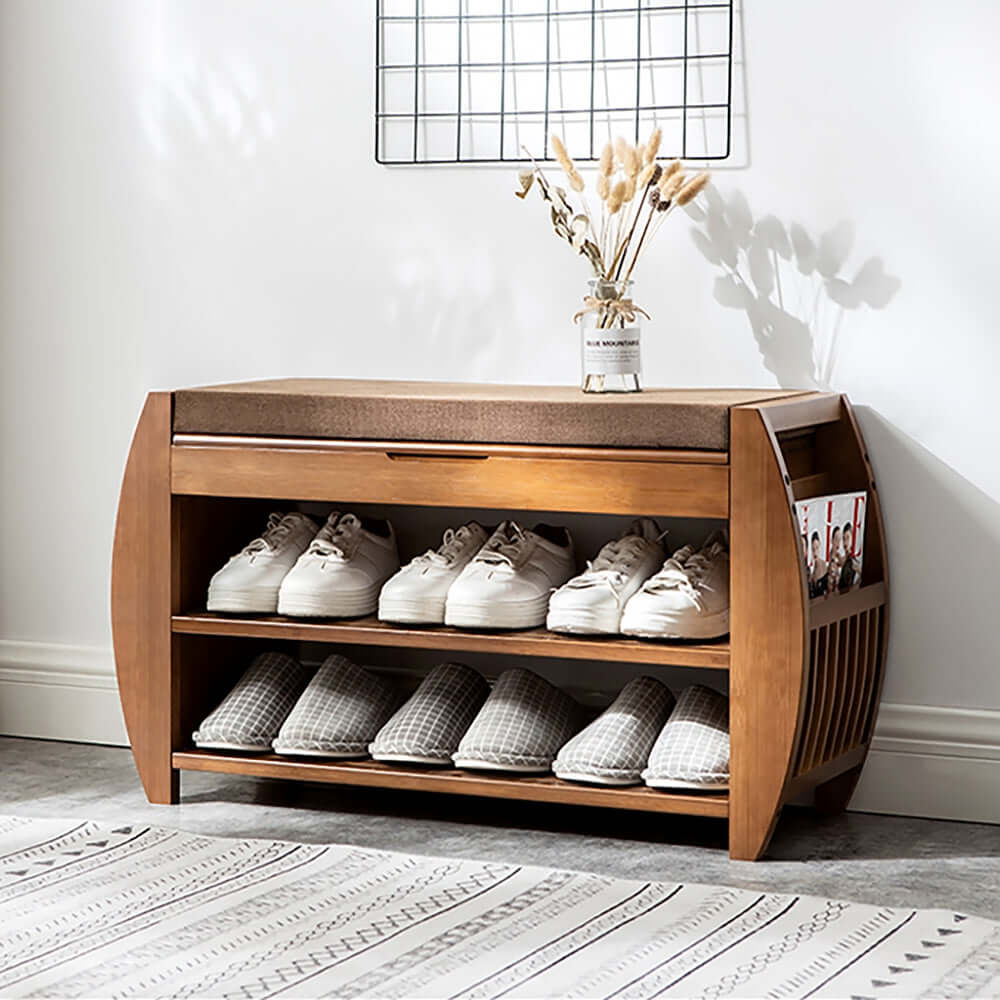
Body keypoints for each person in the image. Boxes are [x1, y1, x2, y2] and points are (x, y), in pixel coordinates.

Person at [839, 521, 858, 592]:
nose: (845, 542)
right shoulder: (843, 559)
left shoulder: (853, 561)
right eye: (843, 538)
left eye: (847, 538)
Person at [809, 532, 828, 597]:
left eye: (817, 548)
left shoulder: (823, 564)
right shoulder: (812, 568)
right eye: (813, 549)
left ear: (820, 546)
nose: (815, 552)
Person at [826, 526, 842, 594]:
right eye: (836, 539)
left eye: (839, 540)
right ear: (832, 540)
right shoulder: (828, 559)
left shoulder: (839, 557)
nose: (838, 543)